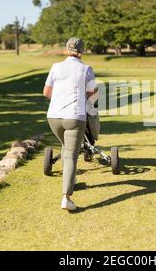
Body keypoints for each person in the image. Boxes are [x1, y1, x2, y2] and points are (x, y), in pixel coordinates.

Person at [43, 37, 97, 211]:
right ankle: (66, 198)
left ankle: (70, 178)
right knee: (71, 155)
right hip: (74, 117)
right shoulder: (87, 69)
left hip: (53, 117)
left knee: (67, 149)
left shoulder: (55, 67)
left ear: (67, 50)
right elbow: (91, 94)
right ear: (82, 51)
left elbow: (46, 92)